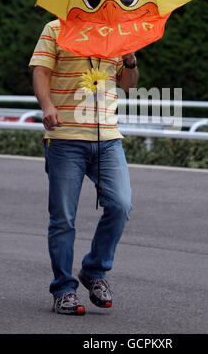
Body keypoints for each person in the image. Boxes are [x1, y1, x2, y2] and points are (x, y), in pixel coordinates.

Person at [29, 18, 138, 315]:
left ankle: (94, 270)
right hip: (65, 137)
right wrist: (47, 106)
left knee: (121, 205)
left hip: (108, 138)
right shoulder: (55, 28)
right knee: (63, 217)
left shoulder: (118, 31)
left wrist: (130, 60)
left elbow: (128, 86)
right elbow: (40, 71)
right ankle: (63, 289)